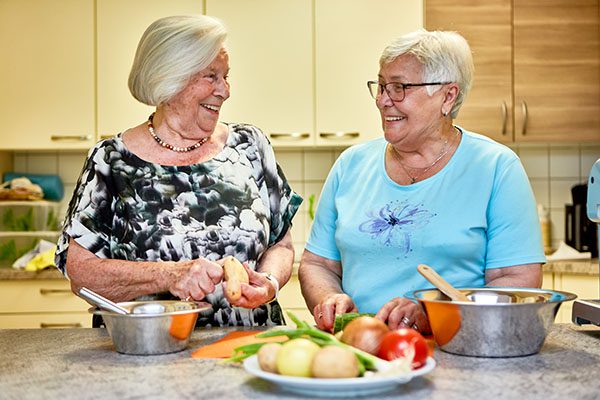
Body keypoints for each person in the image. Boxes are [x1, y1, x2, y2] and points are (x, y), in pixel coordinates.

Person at [55, 15, 302, 327]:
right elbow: (81, 274)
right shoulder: (111, 161)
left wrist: (269, 281)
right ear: (168, 79)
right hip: (147, 355)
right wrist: (170, 275)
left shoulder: (250, 146)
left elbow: (281, 243)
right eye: (211, 76)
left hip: (249, 352)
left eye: (226, 77)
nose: (224, 91)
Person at [299, 29, 545, 333]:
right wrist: (328, 298)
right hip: (359, 351)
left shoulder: (496, 168)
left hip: (457, 353)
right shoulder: (351, 165)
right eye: (381, 85)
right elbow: (318, 265)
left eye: (400, 87)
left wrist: (432, 314)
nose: (383, 100)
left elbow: (517, 282)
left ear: (447, 96)